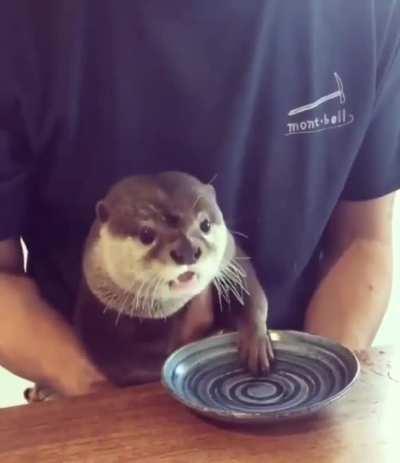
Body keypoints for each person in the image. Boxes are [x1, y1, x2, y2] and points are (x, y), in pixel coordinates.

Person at [0, 0, 399, 398]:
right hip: (89, 388)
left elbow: (362, 241)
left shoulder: (367, 10)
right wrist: (107, 404)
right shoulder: (18, 21)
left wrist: (316, 389)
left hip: (282, 374)